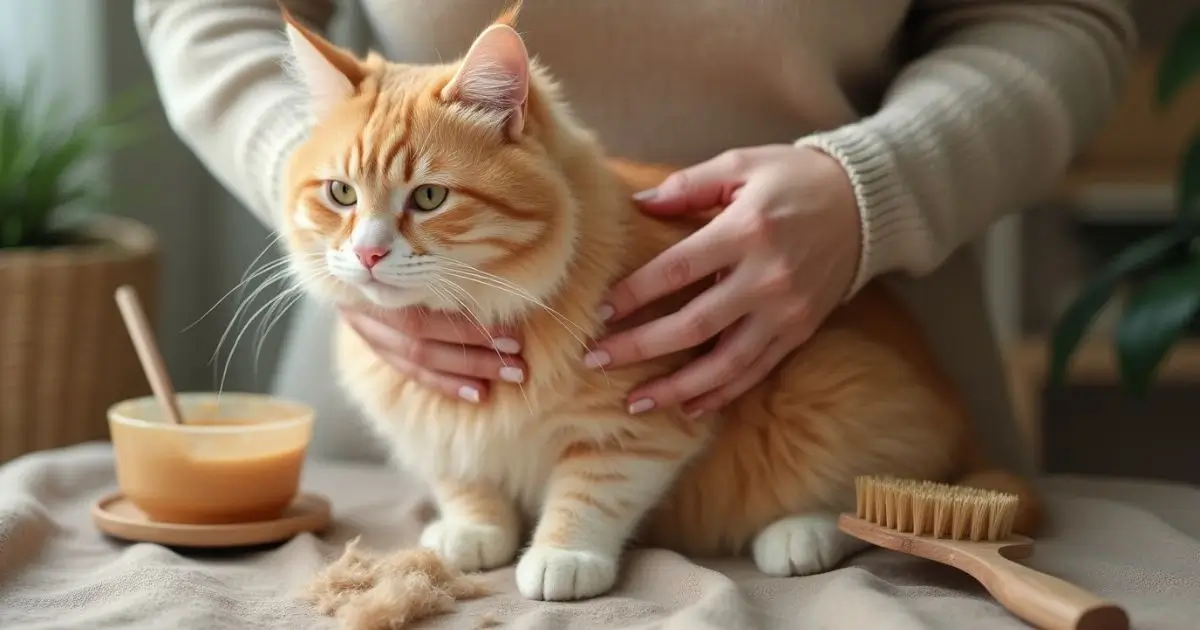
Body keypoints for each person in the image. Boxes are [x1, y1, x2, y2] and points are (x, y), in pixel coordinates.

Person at [134, 0, 1136, 470]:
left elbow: (1063, 17)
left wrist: (877, 184)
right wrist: (310, 183)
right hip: (412, 410)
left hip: (839, 390)